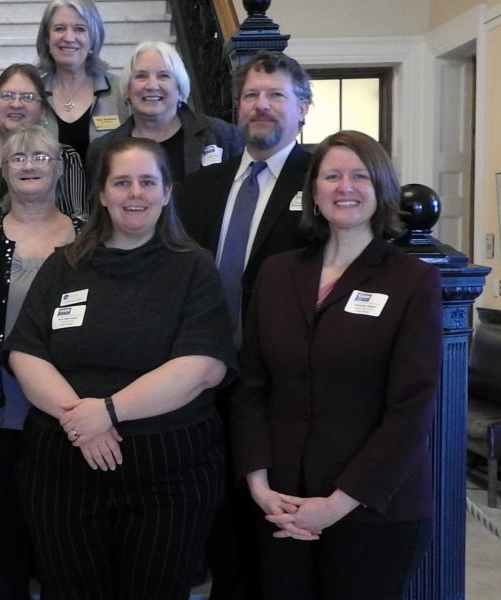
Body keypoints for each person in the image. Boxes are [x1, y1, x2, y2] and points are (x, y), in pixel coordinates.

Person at [4, 137, 235, 599]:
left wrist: (108, 412)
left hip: (169, 478)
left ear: (167, 192)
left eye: (148, 182)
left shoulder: (194, 268)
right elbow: (25, 352)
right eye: (122, 182)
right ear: (103, 194)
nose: (135, 193)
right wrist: (82, 421)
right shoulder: (64, 265)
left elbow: (202, 367)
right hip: (62, 474)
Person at [232, 130, 440, 599]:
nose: (345, 187)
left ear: (381, 188)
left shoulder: (412, 280)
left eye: (359, 175)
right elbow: (251, 385)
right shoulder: (277, 272)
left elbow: (410, 409)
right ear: (314, 192)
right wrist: (260, 484)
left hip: (372, 509)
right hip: (281, 502)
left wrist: (336, 504)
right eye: (331, 176)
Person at [177, 50, 314, 600]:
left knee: (281, 544)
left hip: (286, 392)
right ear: (236, 108)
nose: (261, 106)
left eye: (276, 95)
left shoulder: (325, 179)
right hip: (206, 387)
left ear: (302, 108)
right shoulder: (199, 188)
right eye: (252, 95)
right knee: (222, 538)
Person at [0, 124, 81, 600]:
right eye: (19, 157)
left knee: (63, 540)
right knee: (0, 539)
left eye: (41, 157)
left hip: (69, 413)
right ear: (3, 168)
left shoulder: (88, 238)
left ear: (60, 167)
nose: (29, 165)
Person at [85, 40, 243, 185]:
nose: (152, 85)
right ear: (127, 91)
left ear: (180, 90)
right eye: (141, 76)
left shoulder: (223, 137)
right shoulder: (102, 151)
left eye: (163, 76)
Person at [0, 63, 89, 225]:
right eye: (7, 95)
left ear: (43, 110)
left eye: (28, 97)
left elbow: (78, 222)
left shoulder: (64, 158)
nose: (16, 104)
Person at [36, 0, 129, 160]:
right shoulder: (33, 94)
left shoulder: (122, 92)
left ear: (93, 38)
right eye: (59, 29)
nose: (69, 37)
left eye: (80, 29)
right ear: (46, 38)